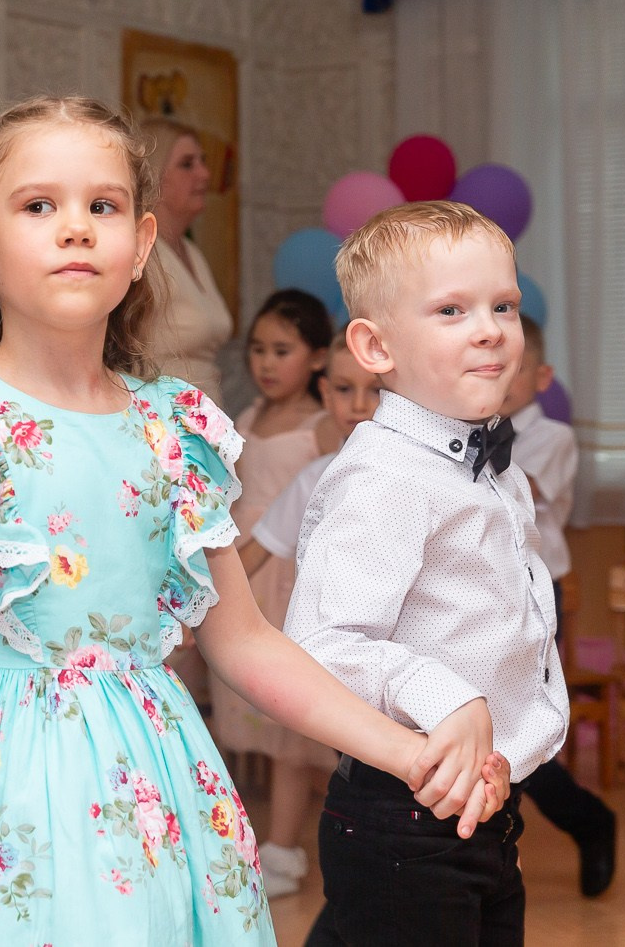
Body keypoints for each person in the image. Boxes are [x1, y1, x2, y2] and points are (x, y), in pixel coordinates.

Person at [0, 97, 506, 947]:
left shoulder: (175, 429)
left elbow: (245, 640)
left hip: (143, 801)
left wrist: (407, 751)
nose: (75, 229)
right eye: (39, 206)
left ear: (142, 245)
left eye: (101, 206)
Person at [287, 201, 566, 947]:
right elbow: (318, 643)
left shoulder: (494, 467)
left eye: (502, 305)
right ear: (375, 346)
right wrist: (446, 695)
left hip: (483, 807)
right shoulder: (384, 477)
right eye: (452, 309)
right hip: (404, 814)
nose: (490, 328)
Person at [235, 333, 379, 897]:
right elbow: (253, 553)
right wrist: (187, 608)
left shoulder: (431, 473)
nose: (360, 405)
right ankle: (312, 862)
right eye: (345, 390)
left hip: (408, 668)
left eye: (378, 391)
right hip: (336, 663)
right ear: (326, 392)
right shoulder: (317, 474)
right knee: (342, 769)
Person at [501, 317, 617, 896]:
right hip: (483, 597)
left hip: (540, 596)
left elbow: (523, 489)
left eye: (517, 365)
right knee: (492, 730)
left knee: (524, 728)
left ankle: (589, 822)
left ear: (542, 376)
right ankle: (502, 847)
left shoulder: (552, 437)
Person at [141, 117, 233, 403]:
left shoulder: (192, 252)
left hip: (206, 421)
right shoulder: (141, 252)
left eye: (203, 161)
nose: (204, 174)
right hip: (160, 423)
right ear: (153, 174)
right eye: (187, 164)